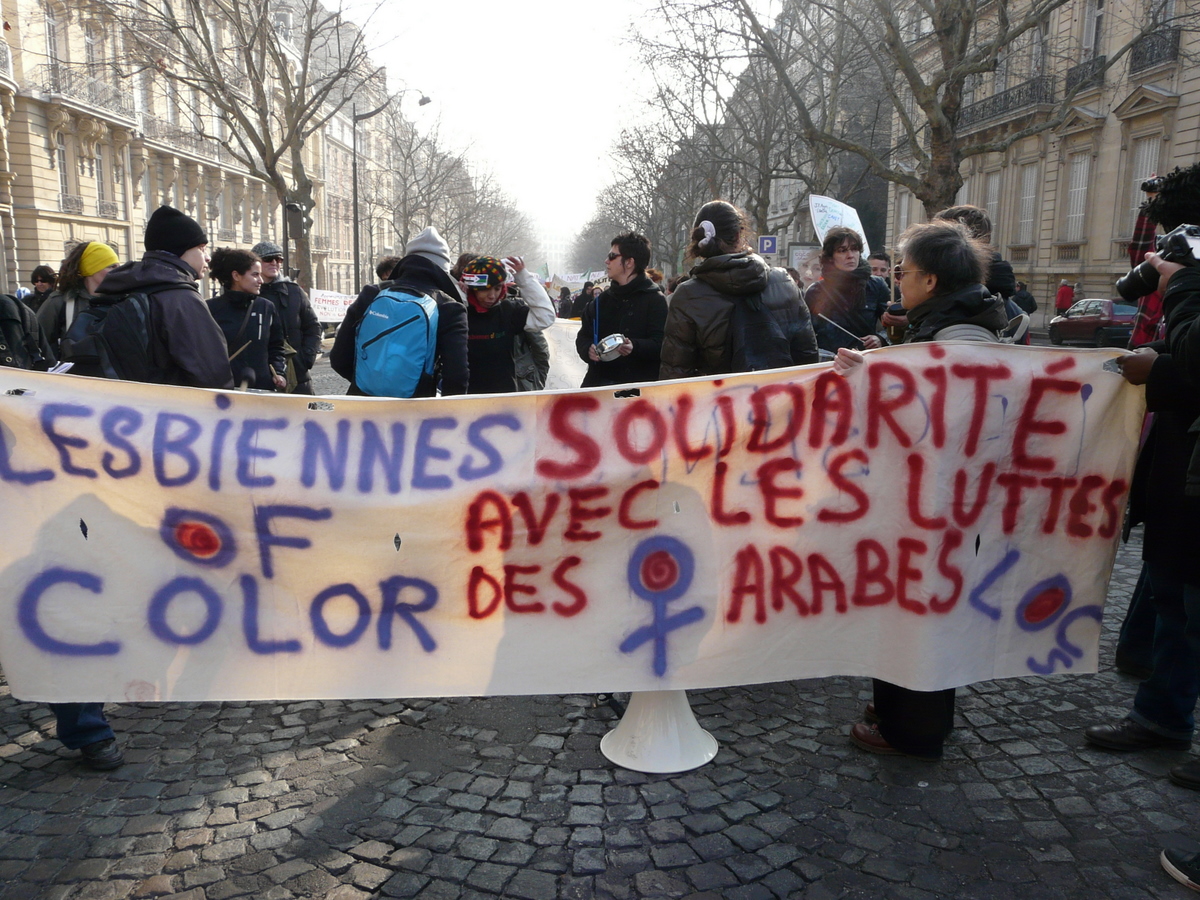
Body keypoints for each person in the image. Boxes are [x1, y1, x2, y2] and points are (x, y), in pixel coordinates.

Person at [835, 221, 1007, 760]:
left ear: (930, 281)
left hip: (934, 509)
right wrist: (880, 364)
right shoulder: (955, 327)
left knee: (920, 612)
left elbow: (933, 426)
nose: (897, 284)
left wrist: (878, 380)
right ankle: (903, 708)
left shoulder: (957, 341)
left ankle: (912, 729)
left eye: (903, 274)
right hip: (938, 505)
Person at [1082, 162, 1200, 791]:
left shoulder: (1191, 285)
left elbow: (1197, 356)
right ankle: (1162, 716)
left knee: (1190, 605)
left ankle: (1164, 714)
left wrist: (1183, 287)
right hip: (1179, 467)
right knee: (1174, 599)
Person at [659, 200, 818, 380]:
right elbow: (808, 356)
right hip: (780, 400)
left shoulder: (688, 296)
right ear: (738, 234)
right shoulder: (784, 282)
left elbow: (676, 373)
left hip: (721, 403)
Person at [95, 206, 233, 389]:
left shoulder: (125, 285)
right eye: (201, 248)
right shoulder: (180, 299)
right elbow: (211, 374)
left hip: (126, 404)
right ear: (179, 250)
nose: (207, 257)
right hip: (175, 410)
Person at [330, 226, 468, 397]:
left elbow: (338, 359)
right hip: (415, 412)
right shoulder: (450, 308)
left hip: (363, 410)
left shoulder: (371, 294)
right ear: (443, 271)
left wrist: (369, 383)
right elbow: (456, 376)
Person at [576, 233, 667, 388]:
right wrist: (588, 350)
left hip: (640, 393)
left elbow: (663, 344)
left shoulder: (655, 300)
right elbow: (583, 337)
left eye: (612, 256)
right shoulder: (600, 301)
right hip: (600, 390)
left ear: (630, 262)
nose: (606, 261)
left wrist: (635, 347)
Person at [459, 254, 555, 394]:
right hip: (464, 399)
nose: (492, 295)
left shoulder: (509, 311)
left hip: (505, 398)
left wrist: (523, 278)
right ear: (472, 288)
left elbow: (545, 317)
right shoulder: (459, 313)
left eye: (497, 288)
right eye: (485, 289)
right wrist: (458, 298)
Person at [804, 226, 890, 356]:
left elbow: (892, 324)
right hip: (831, 363)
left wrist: (880, 338)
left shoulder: (876, 285)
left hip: (866, 360)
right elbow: (807, 334)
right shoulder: (816, 291)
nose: (850, 256)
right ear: (831, 256)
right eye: (842, 250)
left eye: (855, 249)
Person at [207, 248, 286, 391]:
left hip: (263, 391)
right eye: (255, 275)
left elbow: (276, 348)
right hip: (225, 392)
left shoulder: (266, 307)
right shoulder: (210, 309)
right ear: (236, 276)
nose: (261, 280)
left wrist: (279, 372)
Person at [252, 240, 322, 394]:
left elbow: (313, 326)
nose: (275, 263)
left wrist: (305, 358)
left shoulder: (294, 292)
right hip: (262, 375)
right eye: (268, 259)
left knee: (305, 416)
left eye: (278, 259)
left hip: (298, 374)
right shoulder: (249, 294)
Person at [36, 242, 119, 355]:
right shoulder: (60, 302)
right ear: (91, 269)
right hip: (73, 371)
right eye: (111, 266)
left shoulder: (123, 300)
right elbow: (37, 340)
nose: (118, 271)